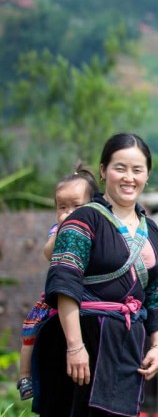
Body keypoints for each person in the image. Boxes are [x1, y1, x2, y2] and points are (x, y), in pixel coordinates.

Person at [31, 134, 158, 417]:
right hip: (78, 338)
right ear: (103, 172)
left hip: (123, 347)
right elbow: (65, 283)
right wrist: (74, 347)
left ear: (147, 175)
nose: (128, 176)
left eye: (137, 169)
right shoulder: (84, 219)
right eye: (120, 167)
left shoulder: (152, 231)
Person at [16, 165, 99, 401]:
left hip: (86, 301)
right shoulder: (59, 230)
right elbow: (47, 252)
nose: (68, 212)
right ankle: (25, 376)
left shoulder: (99, 229)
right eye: (62, 207)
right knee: (30, 332)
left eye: (76, 206)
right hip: (55, 298)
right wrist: (63, 228)